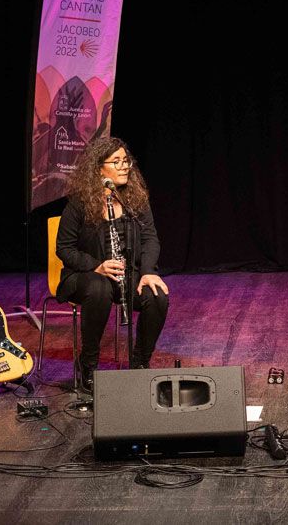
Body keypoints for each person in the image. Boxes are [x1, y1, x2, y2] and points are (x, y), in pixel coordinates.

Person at [56, 137, 170, 392]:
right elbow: (64, 249)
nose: (124, 166)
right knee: (99, 289)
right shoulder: (79, 204)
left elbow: (150, 239)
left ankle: (140, 363)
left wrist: (148, 272)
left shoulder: (135, 201)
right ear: (98, 169)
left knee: (157, 295)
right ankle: (88, 364)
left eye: (126, 161)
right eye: (115, 162)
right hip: (85, 275)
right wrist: (96, 265)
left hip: (126, 275)